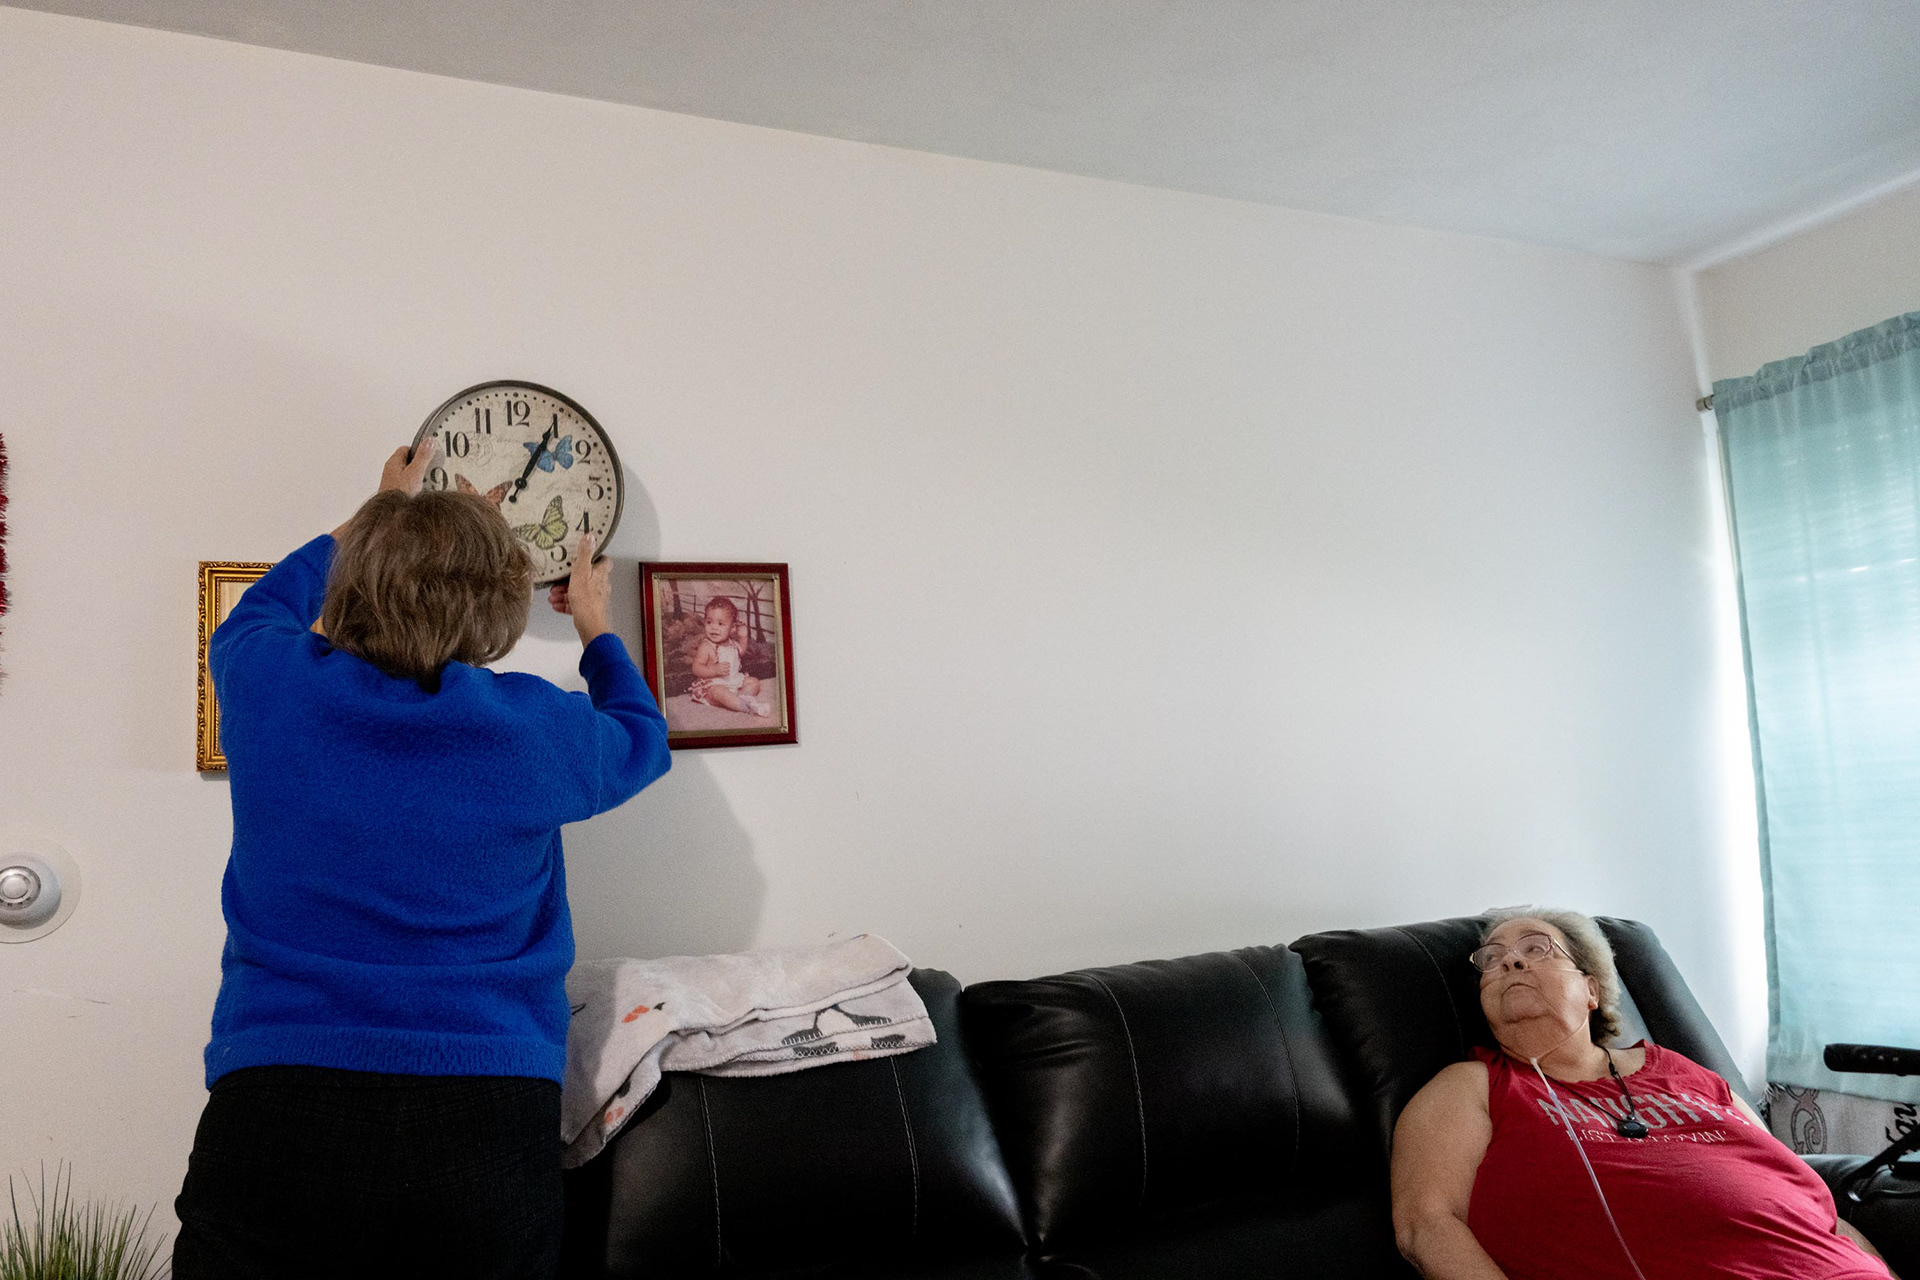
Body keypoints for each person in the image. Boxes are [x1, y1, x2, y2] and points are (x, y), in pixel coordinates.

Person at [172, 442, 671, 1280]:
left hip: (277, 1096)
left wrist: (380, 510)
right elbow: (642, 738)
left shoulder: (270, 685)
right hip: (483, 1109)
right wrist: (594, 625)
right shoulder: (534, 729)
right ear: (499, 607)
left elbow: (258, 609)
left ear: (352, 581)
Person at [1391, 907, 1895, 1280]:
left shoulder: (1686, 1071)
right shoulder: (1469, 1088)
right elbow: (1427, 1228)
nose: (1509, 964)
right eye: (1492, 959)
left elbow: (1805, 1195)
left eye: (1535, 949)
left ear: (1591, 989)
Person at [686, 595, 770, 717]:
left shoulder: (732, 644)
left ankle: (739, 698)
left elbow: (740, 652)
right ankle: (747, 707)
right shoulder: (707, 646)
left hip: (733, 682)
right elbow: (696, 667)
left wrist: (743, 637)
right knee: (720, 693)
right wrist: (714, 670)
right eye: (709, 622)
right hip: (713, 686)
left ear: (732, 628)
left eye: (721, 624)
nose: (714, 627)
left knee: (755, 683)